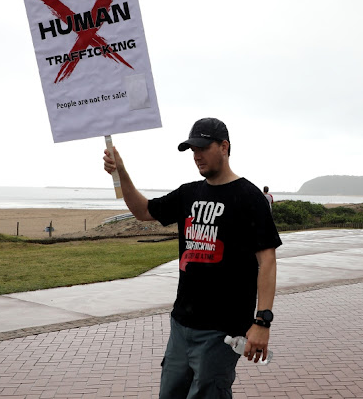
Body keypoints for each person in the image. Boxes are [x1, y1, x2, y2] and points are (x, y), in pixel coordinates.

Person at [103, 118, 282, 398]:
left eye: (202, 147)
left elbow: (267, 261)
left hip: (222, 331)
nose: (196, 155)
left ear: (224, 147)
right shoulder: (189, 193)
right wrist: (122, 171)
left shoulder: (249, 197)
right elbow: (143, 210)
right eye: (191, 149)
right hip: (181, 326)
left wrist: (262, 322)